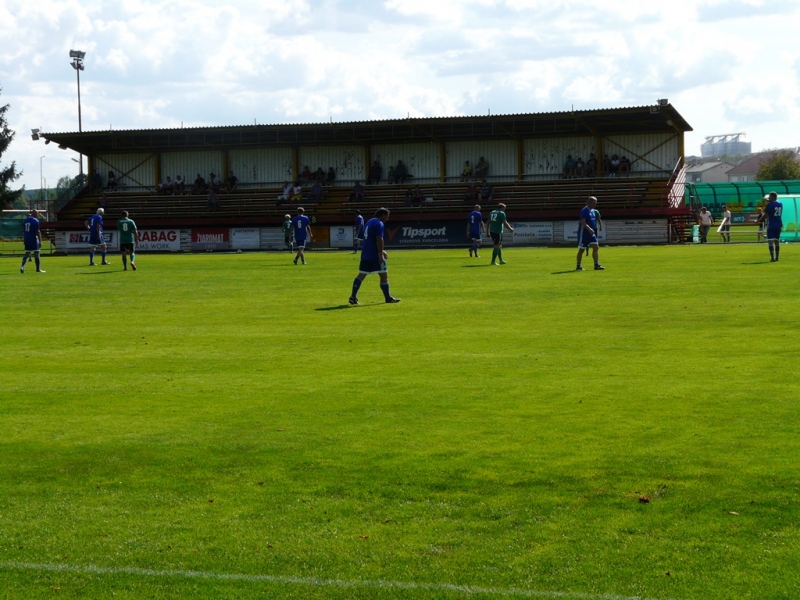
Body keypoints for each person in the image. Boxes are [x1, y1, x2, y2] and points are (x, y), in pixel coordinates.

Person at [348, 207, 400, 305]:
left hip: (365, 254)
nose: (387, 219)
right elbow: (379, 239)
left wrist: (382, 250)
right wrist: (380, 254)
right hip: (375, 255)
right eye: (386, 216)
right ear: (382, 215)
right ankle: (388, 298)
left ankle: (353, 296)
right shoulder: (379, 223)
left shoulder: (369, 222)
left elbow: (369, 238)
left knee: (361, 275)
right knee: (384, 275)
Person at [576, 196, 604, 271]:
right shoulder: (585, 210)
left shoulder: (593, 211)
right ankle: (578, 266)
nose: (595, 204)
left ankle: (596, 264)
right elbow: (582, 221)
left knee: (596, 247)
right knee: (581, 250)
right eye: (594, 203)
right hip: (584, 233)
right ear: (590, 203)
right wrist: (589, 229)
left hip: (591, 233)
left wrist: (594, 228)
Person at [758, 191, 783, 262]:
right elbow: (774, 202)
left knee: (770, 241)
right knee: (777, 241)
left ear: (772, 197)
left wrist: (759, 220)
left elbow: (765, 215)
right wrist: (767, 200)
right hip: (778, 224)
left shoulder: (770, 205)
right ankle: (777, 257)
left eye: (769, 197)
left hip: (771, 224)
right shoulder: (780, 204)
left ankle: (772, 257)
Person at [20, 209, 45, 273]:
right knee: (37, 253)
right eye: (37, 213)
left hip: (27, 239)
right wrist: (40, 241)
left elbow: (23, 229)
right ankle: (38, 269)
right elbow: (38, 231)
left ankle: (22, 267)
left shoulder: (25, 220)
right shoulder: (35, 221)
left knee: (27, 254)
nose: (37, 214)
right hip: (34, 239)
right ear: (35, 214)